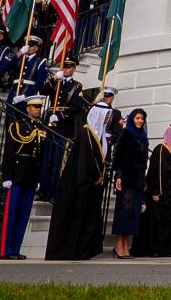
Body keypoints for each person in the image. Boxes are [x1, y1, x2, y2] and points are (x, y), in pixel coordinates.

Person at [45, 101, 112, 260]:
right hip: (82, 184)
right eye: (105, 116)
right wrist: (95, 176)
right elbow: (85, 161)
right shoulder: (85, 134)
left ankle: (85, 250)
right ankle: (75, 251)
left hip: (92, 187)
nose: (107, 119)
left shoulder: (97, 135)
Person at [0, 95, 47, 260]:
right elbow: (9, 153)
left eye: (39, 107)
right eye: (35, 107)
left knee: (23, 215)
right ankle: (6, 250)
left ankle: (15, 248)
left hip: (31, 175)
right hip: (17, 173)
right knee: (11, 214)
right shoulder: (17, 126)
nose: (38, 110)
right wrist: (7, 176)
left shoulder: (41, 129)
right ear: (28, 109)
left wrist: (39, 179)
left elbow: (40, 157)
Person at [136, 124, 171, 257]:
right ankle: (155, 249)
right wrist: (155, 191)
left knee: (169, 222)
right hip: (159, 195)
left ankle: (166, 249)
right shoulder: (160, 150)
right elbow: (153, 172)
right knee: (157, 223)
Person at [112, 108, 148, 259]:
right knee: (124, 212)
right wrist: (119, 176)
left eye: (142, 119)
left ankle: (125, 245)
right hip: (126, 179)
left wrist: (143, 180)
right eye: (137, 118)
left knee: (133, 214)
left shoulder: (143, 137)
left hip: (138, 181)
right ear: (133, 119)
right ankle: (118, 245)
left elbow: (144, 162)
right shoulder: (126, 134)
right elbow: (119, 156)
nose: (140, 121)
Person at [14, 35, 49, 102]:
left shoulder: (40, 62)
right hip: (14, 92)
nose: (28, 48)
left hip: (28, 96)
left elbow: (40, 82)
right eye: (26, 46)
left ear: (36, 48)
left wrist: (25, 95)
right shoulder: (20, 59)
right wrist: (20, 53)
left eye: (30, 46)